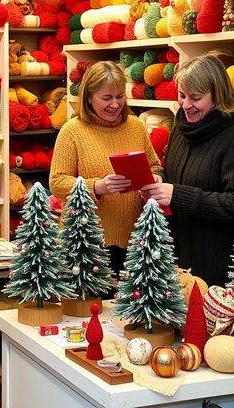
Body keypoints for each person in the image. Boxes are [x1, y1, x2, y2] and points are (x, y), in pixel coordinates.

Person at [140, 54, 234, 286]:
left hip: (217, 262)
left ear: (217, 95)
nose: (186, 105)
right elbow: (174, 171)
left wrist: (176, 195)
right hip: (178, 254)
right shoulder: (182, 125)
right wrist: (159, 178)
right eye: (181, 95)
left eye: (195, 98)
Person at [49, 60, 162, 274]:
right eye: (106, 98)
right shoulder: (72, 131)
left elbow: (154, 164)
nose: (115, 104)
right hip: (86, 242)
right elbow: (57, 183)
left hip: (134, 241)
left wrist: (155, 178)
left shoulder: (135, 125)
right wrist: (97, 187)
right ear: (89, 98)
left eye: (120, 96)